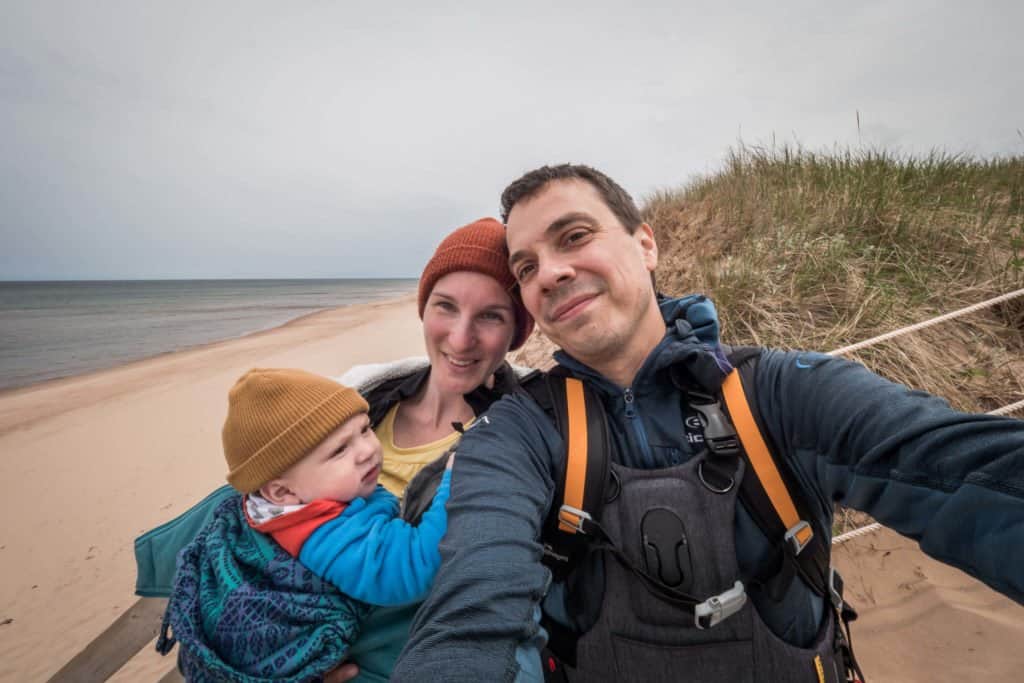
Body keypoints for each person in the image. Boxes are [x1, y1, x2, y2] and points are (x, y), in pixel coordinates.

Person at [391, 164, 1024, 682]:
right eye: (526, 267)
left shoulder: (781, 392)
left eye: (575, 236)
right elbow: (475, 600)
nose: (550, 271)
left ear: (645, 244)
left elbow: (962, 469)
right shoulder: (517, 433)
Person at [143, 217, 535, 682]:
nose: (460, 337)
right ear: (422, 307)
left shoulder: (519, 441)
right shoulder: (353, 399)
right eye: (445, 306)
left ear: (517, 332)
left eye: (491, 315)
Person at [164, 369, 455, 681]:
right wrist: (454, 484)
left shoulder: (313, 498)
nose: (367, 449)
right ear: (283, 492)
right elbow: (414, 568)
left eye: (366, 429)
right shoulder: (320, 531)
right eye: (340, 450)